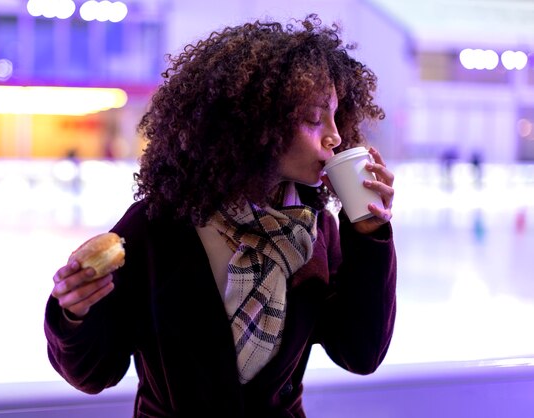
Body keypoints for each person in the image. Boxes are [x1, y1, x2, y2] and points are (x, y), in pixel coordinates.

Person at [45, 14, 397, 418]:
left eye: (336, 116)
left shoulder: (319, 231)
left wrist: (370, 235)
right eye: (315, 119)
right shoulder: (157, 225)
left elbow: (361, 351)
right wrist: (74, 312)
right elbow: (93, 373)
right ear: (254, 123)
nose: (335, 135)